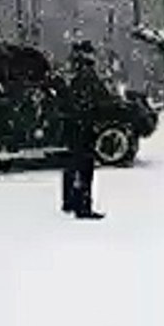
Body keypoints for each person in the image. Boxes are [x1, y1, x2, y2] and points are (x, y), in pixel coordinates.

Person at [61, 39, 105, 220]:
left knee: (72, 165)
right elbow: (98, 99)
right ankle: (83, 206)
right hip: (84, 126)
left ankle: (70, 201)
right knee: (84, 168)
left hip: (72, 126)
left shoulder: (72, 73)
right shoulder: (87, 75)